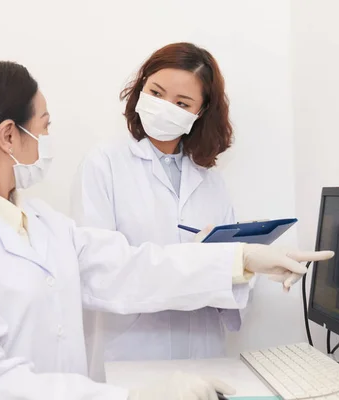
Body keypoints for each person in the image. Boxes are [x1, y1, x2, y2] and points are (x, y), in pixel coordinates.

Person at [0, 61, 333, 400]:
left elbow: (130, 267)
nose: (48, 138)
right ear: (9, 136)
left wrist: (241, 259)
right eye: (44, 126)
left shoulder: (43, 225)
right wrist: (133, 396)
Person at [72, 43, 267, 374]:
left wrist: (242, 264)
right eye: (156, 93)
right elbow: (100, 272)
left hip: (205, 358)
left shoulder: (211, 181)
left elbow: (232, 277)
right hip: (131, 358)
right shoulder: (104, 164)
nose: (164, 108)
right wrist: (210, 264)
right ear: (141, 87)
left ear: (199, 112)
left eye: (181, 103)